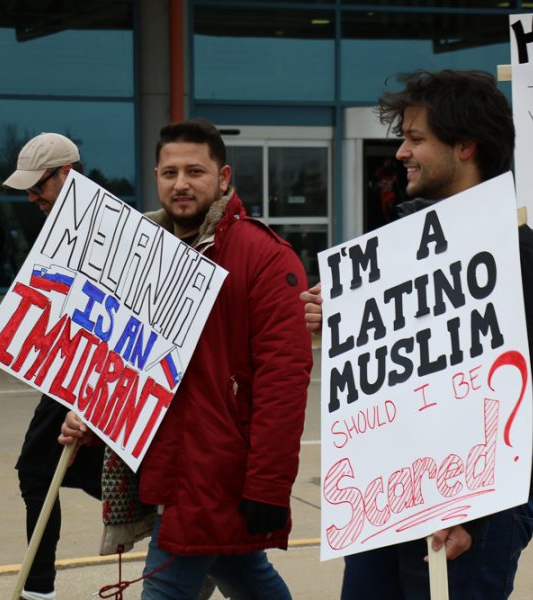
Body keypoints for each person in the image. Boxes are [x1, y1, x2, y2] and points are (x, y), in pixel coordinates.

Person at [301, 69, 533, 599]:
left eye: (416, 139)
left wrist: (474, 514)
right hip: (390, 492)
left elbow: (514, 390)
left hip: (471, 508)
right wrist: (341, 320)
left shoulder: (515, 252)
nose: (401, 153)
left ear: (466, 146)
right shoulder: (401, 242)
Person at [59, 118, 313, 600]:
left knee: (169, 585)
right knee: (243, 574)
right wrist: (91, 416)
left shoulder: (264, 257)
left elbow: (284, 381)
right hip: (166, 464)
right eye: (170, 172)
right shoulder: (140, 255)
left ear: (223, 178)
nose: (180, 183)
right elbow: (127, 360)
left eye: (195, 171)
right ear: (155, 176)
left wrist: (268, 486)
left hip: (217, 471)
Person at [2, 133, 103, 600]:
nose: (32, 197)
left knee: (42, 470)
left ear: (71, 175)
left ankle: (37, 590)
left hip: (98, 379)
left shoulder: (106, 230)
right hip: (66, 375)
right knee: (44, 471)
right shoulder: (60, 228)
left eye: (39, 185)